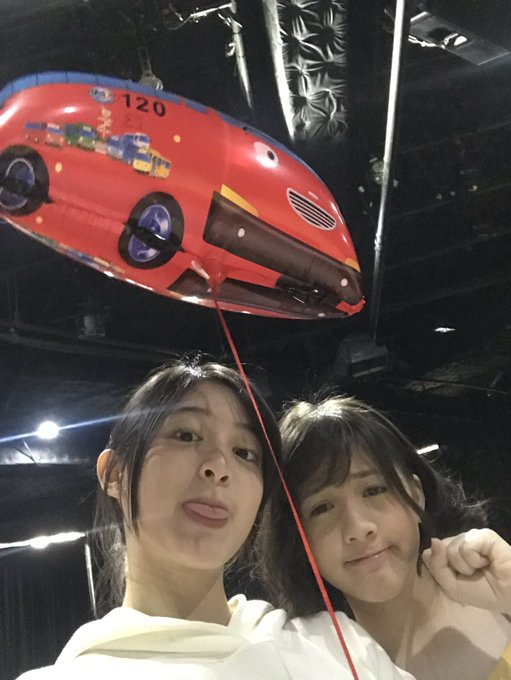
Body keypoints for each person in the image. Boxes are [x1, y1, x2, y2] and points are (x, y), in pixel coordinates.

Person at [17, 359, 415, 680]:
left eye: (245, 452)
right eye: (186, 435)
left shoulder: (337, 644)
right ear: (115, 474)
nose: (219, 467)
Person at [258, 394, 511, 680]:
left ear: (416, 494)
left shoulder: (501, 589)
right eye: (322, 508)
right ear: (299, 539)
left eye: (373, 490)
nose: (358, 528)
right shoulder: (317, 669)